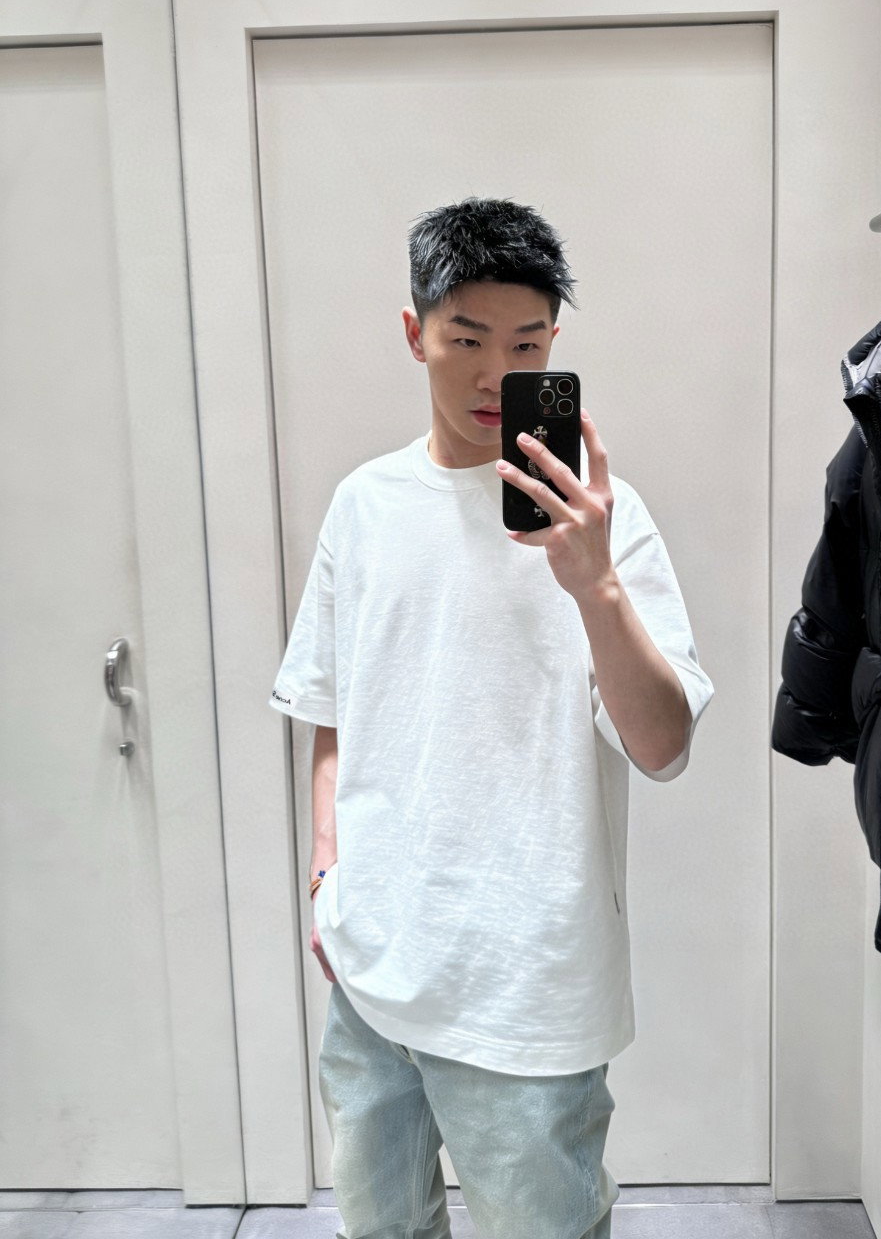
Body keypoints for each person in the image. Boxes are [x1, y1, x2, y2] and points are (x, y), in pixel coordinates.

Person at [269, 195, 715, 1239]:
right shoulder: (364, 505)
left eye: (525, 344)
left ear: (554, 345)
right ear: (415, 332)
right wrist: (329, 872)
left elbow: (662, 747)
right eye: (466, 339)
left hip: (528, 988)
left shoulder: (605, 523)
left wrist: (595, 585)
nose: (492, 374)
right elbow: (332, 708)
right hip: (372, 973)